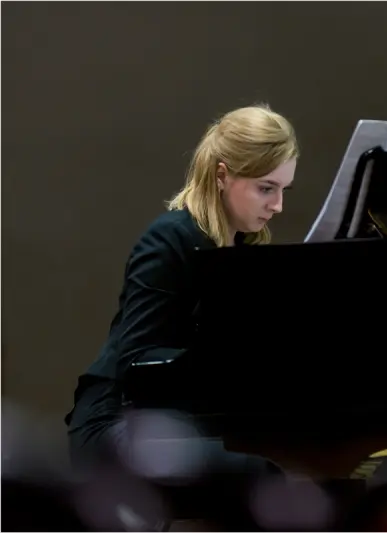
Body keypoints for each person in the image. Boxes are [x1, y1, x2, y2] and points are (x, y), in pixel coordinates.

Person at [65, 104, 298, 485]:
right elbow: (137, 360)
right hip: (119, 424)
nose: (278, 206)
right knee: (258, 470)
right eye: (266, 188)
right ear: (222, 176)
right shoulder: (170, 238)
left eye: (283, 190)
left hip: (183, 419)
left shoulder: (242, 252)